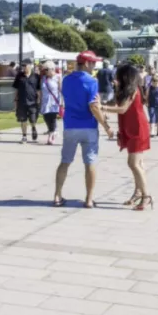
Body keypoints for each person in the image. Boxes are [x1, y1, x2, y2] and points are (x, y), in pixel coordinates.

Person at [53, 52, 111, 208]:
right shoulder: (92, 81)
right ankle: (89, 199)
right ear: (86, 64)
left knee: (65, 161)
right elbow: (93, 106)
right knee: (90, 162)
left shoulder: (66, 80)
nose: (94, 67)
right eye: (93, 64)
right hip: (88, 126)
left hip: (70, 125)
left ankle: (57, 195)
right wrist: (106, 127)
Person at [104, 62, 152, 209]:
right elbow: (117, 103)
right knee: (138, 163)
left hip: (138, 129)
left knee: (134, 164)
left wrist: (102, 107)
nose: (116, 78)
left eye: (118, 76)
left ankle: (146, 196)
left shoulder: (134, 90)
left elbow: (122, 109)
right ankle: (138, 193)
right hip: (130, 128)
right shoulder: (126, 90)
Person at [12, 59, 41, 144]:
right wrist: (15, 99)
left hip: (33, 102)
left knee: (33, 120)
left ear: (30, 66)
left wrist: (39, 99)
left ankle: (33, 128)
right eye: (23, 66)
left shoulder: (36, 76)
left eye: (25, 66)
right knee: (23, 120)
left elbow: (38, 89)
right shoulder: (19, 76)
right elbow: (16, 89)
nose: (23, 67)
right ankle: (24, 136)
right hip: (22, 101)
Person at [39, 62, 64, 145]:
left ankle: (50, 136)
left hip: (54, 102)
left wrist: (62, 102)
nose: (45, 71)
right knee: (46, 118)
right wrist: (40, 101)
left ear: (52, 69)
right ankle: (53, 131)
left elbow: (61, 90)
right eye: (44, 70)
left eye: (46, 69)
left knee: (52, 118)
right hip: (45, 102)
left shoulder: (58, 77)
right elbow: (42, 91)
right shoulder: (43, 78)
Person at [144, 69, 158, 137]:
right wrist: (146, 102)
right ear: (151, 82)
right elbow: (146, 96)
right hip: (151, 105)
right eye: (154, 82)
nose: (155, 84)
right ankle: (152, 131)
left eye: (156, 83)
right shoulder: (149, 88)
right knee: (152, 117)